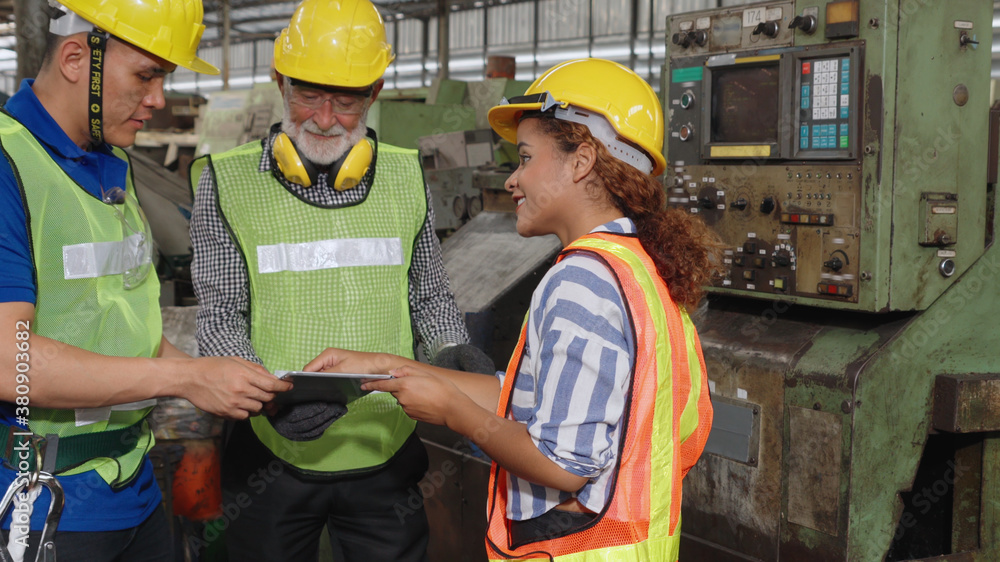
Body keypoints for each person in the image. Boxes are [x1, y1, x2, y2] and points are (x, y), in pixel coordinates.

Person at [305, 58, 721, 561]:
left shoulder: (582, 279)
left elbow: (565, 464)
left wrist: (452, 412)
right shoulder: (636, 266)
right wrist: (382, 366)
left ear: (580, 161)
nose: (512, 180)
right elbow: (530, 402)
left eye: (524, 158)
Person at [188, 0, 493, 560]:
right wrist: (268, 398)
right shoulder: (226, 183)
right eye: (307, 95)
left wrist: (451, 347)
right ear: (279, 80)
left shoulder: (405, 175)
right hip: (270, 455)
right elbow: (221, 316)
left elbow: (427, 295)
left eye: (346, 101)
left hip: (387, 448)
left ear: (374, 92)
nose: (324, 118)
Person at [0, 1, 291, 560]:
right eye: (146, 75)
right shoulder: (9, 164)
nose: (158, 99)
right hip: (46, 500)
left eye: (164, 78)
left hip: (132, 482)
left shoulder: (110, 163)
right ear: (74, 58)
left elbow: (118, 326)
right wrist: (183, 381)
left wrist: (220, 378)